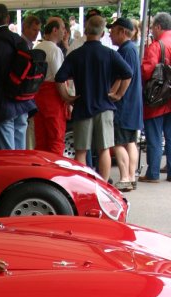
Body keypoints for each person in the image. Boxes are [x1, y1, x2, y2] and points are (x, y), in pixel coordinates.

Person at [55, 16, 132, 182]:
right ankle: (103, 186)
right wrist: (118, 94)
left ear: (85, 31)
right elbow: (128, 73)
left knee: (81, 151)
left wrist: (67, 97)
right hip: (104, 107)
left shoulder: (75, 55)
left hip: (83, 106)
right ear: (103, 33)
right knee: (104, 149)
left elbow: (59, 78)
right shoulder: (110, 54)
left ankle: (84, 185)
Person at [0, 3, 36, 150]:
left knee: (8, 159)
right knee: (20, 157)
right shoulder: (18, 41)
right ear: (8, 19)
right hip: (22, 104)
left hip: (3, 108)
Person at [108, 17, 143, 190]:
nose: (110, 34)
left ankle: (125, 178)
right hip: (133, 103)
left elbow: (124, 75)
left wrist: (116, 94)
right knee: (130, 142)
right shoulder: (133, 49)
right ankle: (131, 176)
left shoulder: (125, 51)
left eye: (113, 31)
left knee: (119, 142)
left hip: (124, 104)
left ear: (123, 32)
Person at [140, 12, 171, 183]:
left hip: (158, 98)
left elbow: (146, 71)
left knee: (154, 137)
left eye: (152, 27)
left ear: (158, 27)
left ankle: (153, 173)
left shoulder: (156, 46)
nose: (152, 30)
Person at [33, 18, 67, 155]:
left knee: (41, 139)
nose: (64, 32)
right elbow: (60, 78)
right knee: (56, 138)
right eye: (63, 28)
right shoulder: (55, 50)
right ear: (55, 30)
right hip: (52, 97)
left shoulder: (37, 48)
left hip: (37, 96)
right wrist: (67, 98)